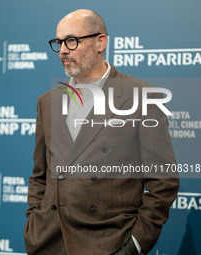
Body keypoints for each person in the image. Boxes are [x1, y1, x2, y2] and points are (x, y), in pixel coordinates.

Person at [24, 9, 179, 255]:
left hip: (107, 243)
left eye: (72, 41)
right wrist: (34, 220)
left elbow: (164, 182)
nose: (63, 50)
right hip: (48, 241)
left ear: (100, 42)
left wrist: (134, 245)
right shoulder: (48, 102)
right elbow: (40, 175)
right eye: (59, 42)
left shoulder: (141, 97)